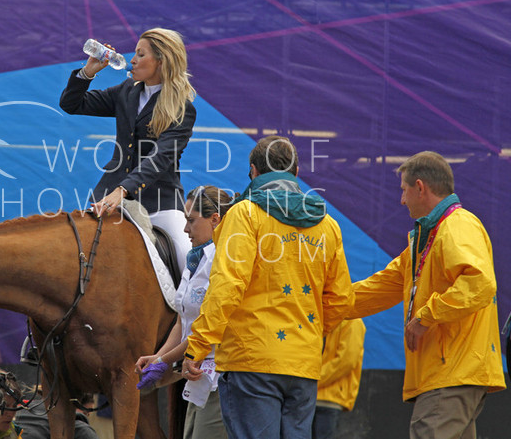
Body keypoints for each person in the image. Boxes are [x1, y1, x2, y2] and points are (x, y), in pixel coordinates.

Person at [182, 135, 354, 439]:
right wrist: (308, 336)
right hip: (303, 366)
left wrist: (198, 345)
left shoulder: (244, 214)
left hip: (251, 362)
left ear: (253, 172)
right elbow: (341, 299)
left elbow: (226, 287)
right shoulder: (328, 225)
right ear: (296, 173)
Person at [347, 151, 505, 439]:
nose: (402, 200)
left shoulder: (457, 226)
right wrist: (323, 303)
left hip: (451, 371)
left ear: (420, 187)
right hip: (450, 373)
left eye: (404, 190)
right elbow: (383, 286)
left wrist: (425, 317)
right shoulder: (426, 238)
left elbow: (480, 282)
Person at [59, 28, 197, 271]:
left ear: (161, 60)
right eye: (134, 53)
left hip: (159, 202)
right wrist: (88, 71)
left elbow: (160, 158)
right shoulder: (126, 91)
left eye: (140, 54)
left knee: (186, 257)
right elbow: (72, 104)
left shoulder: (181, 109)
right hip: (108, 195)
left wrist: (123, 191)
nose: (132, 60)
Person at [135, 185, 234, 439]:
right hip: (197, 376)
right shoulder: (194, 259)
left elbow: (206, 326)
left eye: (191, 220)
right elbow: (183, 319)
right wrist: (158, 355)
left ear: (215, 220)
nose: (185, 229)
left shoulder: (223, 259)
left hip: (220, 376)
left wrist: (164, 361)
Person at [312, 318, 366, 439]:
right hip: (310, 398)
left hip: (329, 399)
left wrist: (312, 380)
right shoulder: (322, 319)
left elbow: (346, 361)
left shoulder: (353, 322)